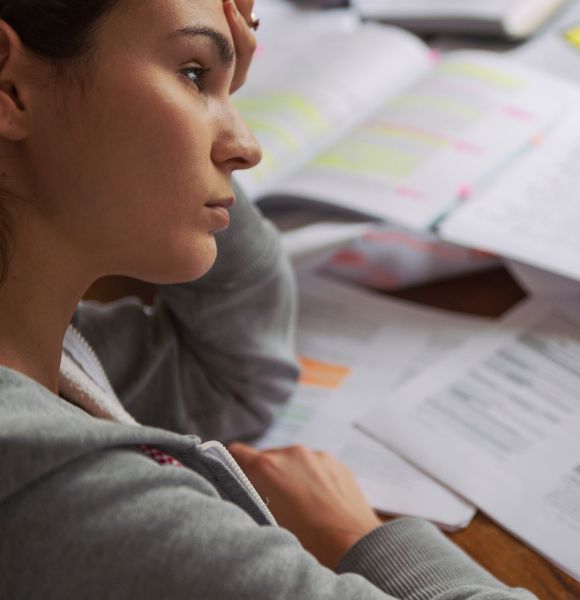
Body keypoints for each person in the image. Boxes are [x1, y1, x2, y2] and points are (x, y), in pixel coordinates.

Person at [0, 1, 536, 598]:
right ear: (10, 85)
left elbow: (226, 376)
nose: (246, 147)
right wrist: (362, 538)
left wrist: (202, 123)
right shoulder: (65, 492)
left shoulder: (41, 349)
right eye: (193, 74)